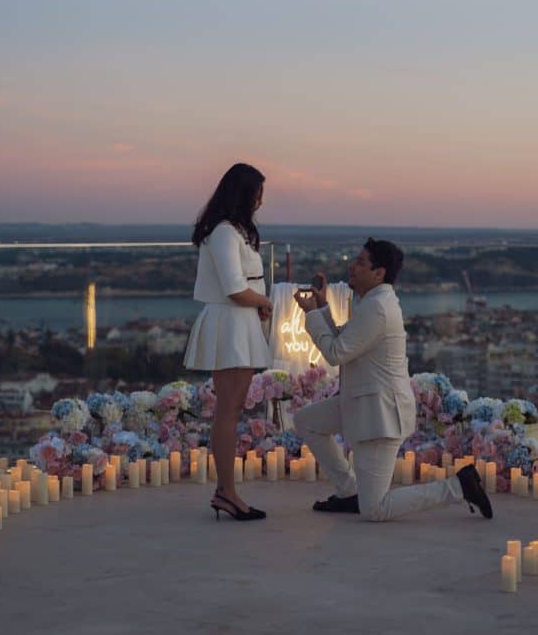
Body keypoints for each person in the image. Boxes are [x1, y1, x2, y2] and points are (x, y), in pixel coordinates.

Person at [293, 238, 493, 522]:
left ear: (379, 273)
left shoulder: (377, 308)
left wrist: (312, 314)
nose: (352, 266)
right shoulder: (373, 302)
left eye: (361, 262)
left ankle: (458, 486)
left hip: (379, 414)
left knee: (375, 509)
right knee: (307, 421)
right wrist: (323, 307)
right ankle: (349, 491)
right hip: (362, 401)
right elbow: (346, 340)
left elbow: (336, 352)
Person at [184, 163, 273, 521]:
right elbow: (235, 288)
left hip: (241, 323)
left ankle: (227, 490)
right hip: (231, 324)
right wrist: (264, 302)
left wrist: (259, 305)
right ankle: (226, 492)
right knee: (228, 411)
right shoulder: (223, 232)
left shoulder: (233, 231)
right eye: (257, 192)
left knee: (232, 410)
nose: (260, 200)